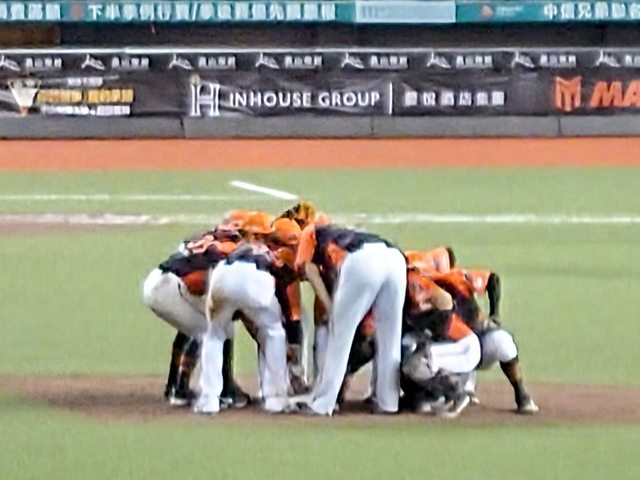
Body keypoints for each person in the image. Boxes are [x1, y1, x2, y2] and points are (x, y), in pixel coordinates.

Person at [293, 224, 407, 415]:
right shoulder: (344, 235)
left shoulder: (311, 232)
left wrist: (331, 308)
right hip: (395, 259)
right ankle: (388, 402)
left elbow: (310, 270)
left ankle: (323, 403)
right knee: (390, 335)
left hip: (363, 260)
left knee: (339, 335)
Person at [194, 218, 301, 415]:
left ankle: (209, 399)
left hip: (222, 275)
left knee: (214, 336)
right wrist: (292, 337)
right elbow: (287, 295)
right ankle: (276, 398)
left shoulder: (232, 249)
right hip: (256, 277)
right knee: (274, 333)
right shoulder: (274, 253)